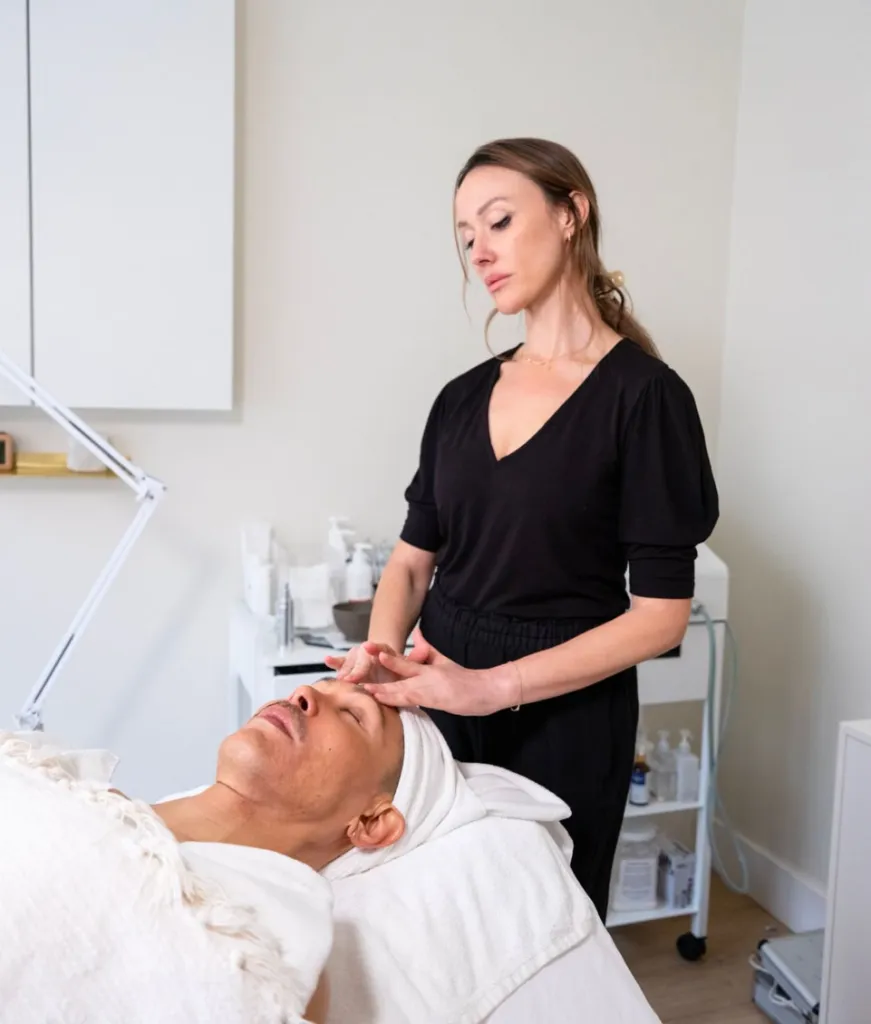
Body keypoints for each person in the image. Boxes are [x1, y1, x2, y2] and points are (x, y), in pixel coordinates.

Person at [326, 136, 719, 920]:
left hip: (564, 718)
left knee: (541, 933)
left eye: (498, 222)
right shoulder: (461, 398)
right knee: (435, 919)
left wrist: (492, 688)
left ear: (571, 212)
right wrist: (379, 657)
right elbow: (409, 565)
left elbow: (659, 616)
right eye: (466, 237)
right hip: (440, 697)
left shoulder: (644, 400)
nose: (480, 251)